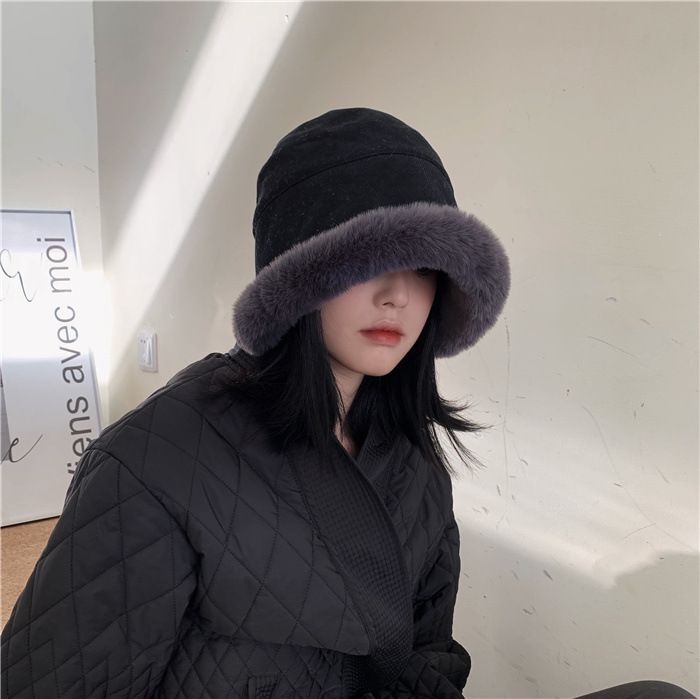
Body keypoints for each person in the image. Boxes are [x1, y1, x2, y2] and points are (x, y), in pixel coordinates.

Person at [1, 108, 694, 699]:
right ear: (298, 277)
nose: (398, 294)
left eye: (422, 264)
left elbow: (428, 650)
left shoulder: (415, 460)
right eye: (367, 260)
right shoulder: (154, 464)